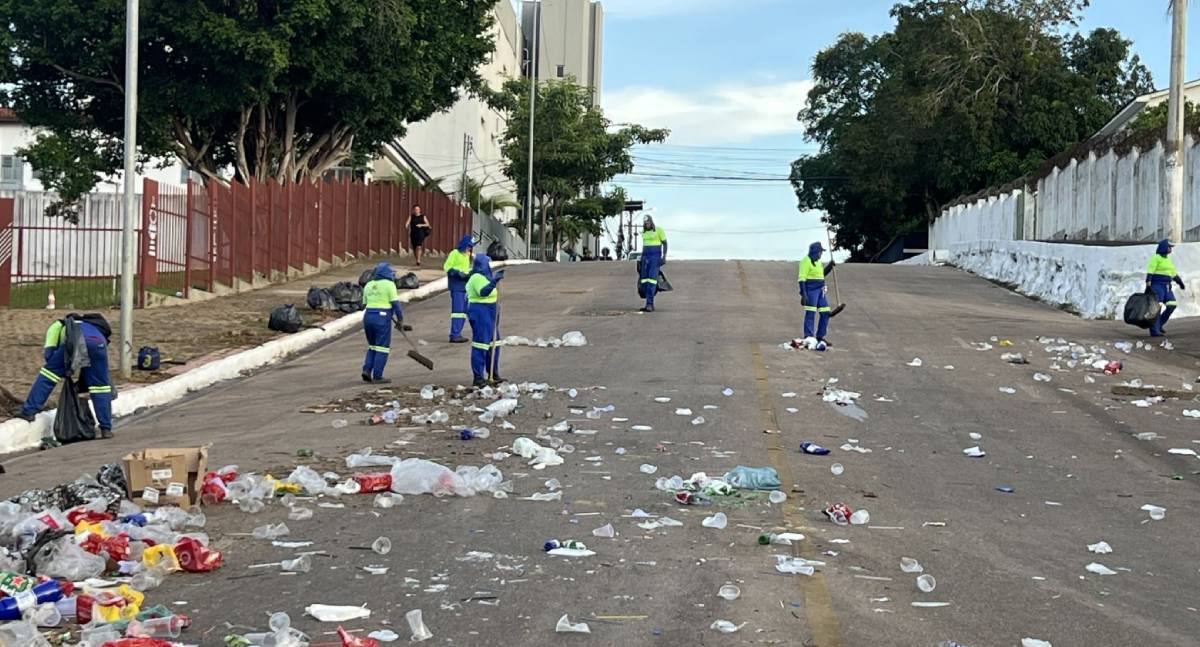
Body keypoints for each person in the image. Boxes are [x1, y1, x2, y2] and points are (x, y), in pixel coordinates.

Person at [19, 313, 114, 440]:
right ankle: (106, 428)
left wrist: (61, 369)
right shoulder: (93, 327)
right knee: (100, 387)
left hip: (76, 341)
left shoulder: (57, 326)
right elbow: (87, 360)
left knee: (48, 375)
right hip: (99, 344)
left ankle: (29, 411)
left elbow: (49, 356)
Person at [361, 262, 404, 383]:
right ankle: (378, 376)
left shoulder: (369, 285)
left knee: (372, 346)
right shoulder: (389, 285)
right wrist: (400, 320)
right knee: (382, 348)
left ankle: (367, 370)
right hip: (382, 318)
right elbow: (396, 304)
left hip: (368, 316)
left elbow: (363, 305)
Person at [466, 254, 504, 388]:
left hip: (491, 312)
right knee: (481, 344)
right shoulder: (476, 278)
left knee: (494, 343)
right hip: (480, 312)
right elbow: (483, 292)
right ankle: (478, 377)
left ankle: (493, 373)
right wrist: (494, 281)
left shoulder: (486, 277)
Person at [798, 241, 836, 344]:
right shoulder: (805, 261)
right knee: (811, 312)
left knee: (825, 313)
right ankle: (809, 336)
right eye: (820, 252)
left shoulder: (819, 262)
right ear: (815, 252)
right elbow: (802, 279)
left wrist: (829, 267)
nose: (821, 254)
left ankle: (820, 336)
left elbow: (821, 275)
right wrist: (803, 293)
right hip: (810, 289)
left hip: (820, 289)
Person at [1146, 239, 1185, 337]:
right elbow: (1151, 269)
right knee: (1156, 307)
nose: (1170, 249)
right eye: (1169, 247)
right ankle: (1154, 331)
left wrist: (1180, 282)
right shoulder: (1156, 258)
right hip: (1157, 285)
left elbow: (1173, 273)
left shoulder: (1167, 259)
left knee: (1172, 304)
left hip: (1167, 286)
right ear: (1163, 247)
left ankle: (1159, 325)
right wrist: (1148, 281)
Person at [444, 234, 474, 343]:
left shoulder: (467, 255)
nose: (469, 248)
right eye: (468, 246)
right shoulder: (454, 253)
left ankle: (458, 333)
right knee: (458, 311)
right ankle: (455, 334)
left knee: (463, 311)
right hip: (456, 285)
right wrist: (457, 273)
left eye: (471, 247)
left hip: (464, 286)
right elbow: (447, 266)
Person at [638, 215, 667, 312]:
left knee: (652, 280)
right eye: (645, 224)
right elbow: (644, 247)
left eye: (648, 223)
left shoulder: (659, 230)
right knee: (644, 281)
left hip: (655, 258)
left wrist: (664, 257)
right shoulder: (644, 233)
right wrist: (640, 260)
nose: (647, 225)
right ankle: (648, 303)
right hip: (645, 258)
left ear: (651, 222)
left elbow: (665, 243)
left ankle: (650, 304)